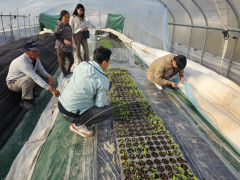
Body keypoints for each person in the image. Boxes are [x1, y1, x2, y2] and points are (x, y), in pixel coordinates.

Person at [58, 47, 113, 138]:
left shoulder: (83, 64)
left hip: (61, 104)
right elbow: (99, 105)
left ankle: (79, 121)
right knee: (107, 111)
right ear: (104, 62)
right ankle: (78, 126)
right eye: (108, 62)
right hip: (71, 113)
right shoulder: (103, 80)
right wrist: (103, 91)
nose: (108, 64)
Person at [6, 40, 60, 110]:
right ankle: (26, 101)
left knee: (45, 78)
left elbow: (40, 69)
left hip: (25, 78)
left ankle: (34, 93)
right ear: (26, 52)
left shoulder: (35, 58)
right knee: (30, 79)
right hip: (13, 83)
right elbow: (34, 77)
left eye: (37, 50)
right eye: (34, 51)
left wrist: (49, 76)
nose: (37, 52)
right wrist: (51, 89)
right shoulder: (22, 62)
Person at [54, 10, 74, 77]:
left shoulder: (68, 25)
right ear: (62, 17)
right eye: (66, 17)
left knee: (71, 60)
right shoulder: (59, 25)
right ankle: (65, 74)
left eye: (68, 17)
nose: (68, 19)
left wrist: (72, 40)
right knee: (62, 62)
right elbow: (56, 35)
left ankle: (68, 71)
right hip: (61, 47)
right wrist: (64, 40)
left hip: (68, 47)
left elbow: (70, 34)